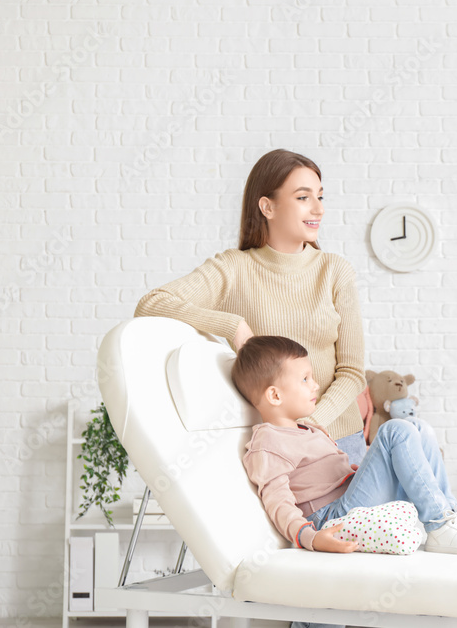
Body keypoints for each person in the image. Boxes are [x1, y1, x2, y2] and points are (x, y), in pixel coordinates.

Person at [134, 149, 368, 464]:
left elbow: (352, 372)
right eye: (303, 197)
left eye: (320, 196)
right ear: (267, 206)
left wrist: (309, 425)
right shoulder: (233, 268)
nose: (318, 208)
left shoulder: (335, 271)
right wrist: (232, 326)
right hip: (275, 447)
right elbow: (151, 304)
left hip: (341, 441)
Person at [234, 335, 457, 557]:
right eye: (305, 379)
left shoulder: (309, 428)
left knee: (418, 428)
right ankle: (440, 524)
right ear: (274, 395)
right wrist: (310, 537)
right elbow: (278, 502)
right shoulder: (268, 442)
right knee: (394, 430)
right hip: (331, 519)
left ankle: (449, 515)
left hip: (352, 501)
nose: (316, 385)